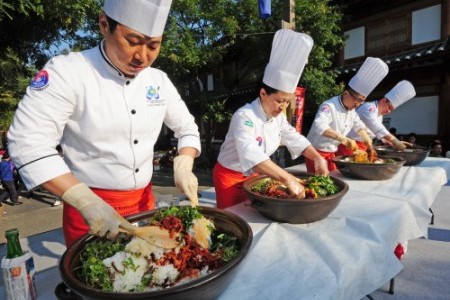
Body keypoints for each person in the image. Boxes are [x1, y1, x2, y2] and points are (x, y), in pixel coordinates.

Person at [8, 0, 200, 252]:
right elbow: (27, 143)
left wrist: (184, 164)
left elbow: (187, 128)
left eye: (154, 45)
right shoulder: (68, 72)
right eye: (132, 41)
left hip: (145, 204)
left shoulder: (158, 80)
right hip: (91, 210)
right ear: (104, 24)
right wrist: (85, 201)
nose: (143, 57)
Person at [213, 29, 329, 209]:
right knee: (235, 219)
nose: (282, 107)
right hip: (230, 177)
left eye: (287, 102)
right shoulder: (244, 116)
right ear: (263, 93)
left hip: (257, 176)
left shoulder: (278, 118)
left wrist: (317, 158)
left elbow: (294, 138)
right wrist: (287, 177)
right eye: (279, 101)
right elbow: (250, 152)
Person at [306, 57, 389, 172]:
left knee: (333, 179)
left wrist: (367, 139)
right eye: (358, 99)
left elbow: (358, 125)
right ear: (346, 94)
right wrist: (343, 139)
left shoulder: (351, 110)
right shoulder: (329, 106)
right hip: (315, 151)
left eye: (362, 101)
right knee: (320, 182)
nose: (358, 104)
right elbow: (319, 126)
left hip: (332, 152)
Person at [341, 80, 416, 154]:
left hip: (363, 146)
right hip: (349, 144)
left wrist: (392, 142)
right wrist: (394, 140)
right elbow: (377, 127)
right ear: (384, 100)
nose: (388, 111)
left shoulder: (379, 115)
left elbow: (378, 133)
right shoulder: (369, 108)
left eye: (391, 110)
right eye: (389, 107)